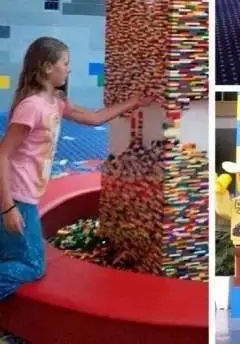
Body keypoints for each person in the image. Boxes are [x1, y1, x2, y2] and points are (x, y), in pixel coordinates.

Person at [0, 37, 152, 300]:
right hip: (17, 196)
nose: (69, 69)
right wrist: (8, 208)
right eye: (65, 63)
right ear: (48, 67)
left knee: (11, 253)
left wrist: (133, 103)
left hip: (26, 194)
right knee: (32, 266)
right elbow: (3, 155)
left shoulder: (55, 101)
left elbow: (92, 118)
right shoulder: (32, 106)